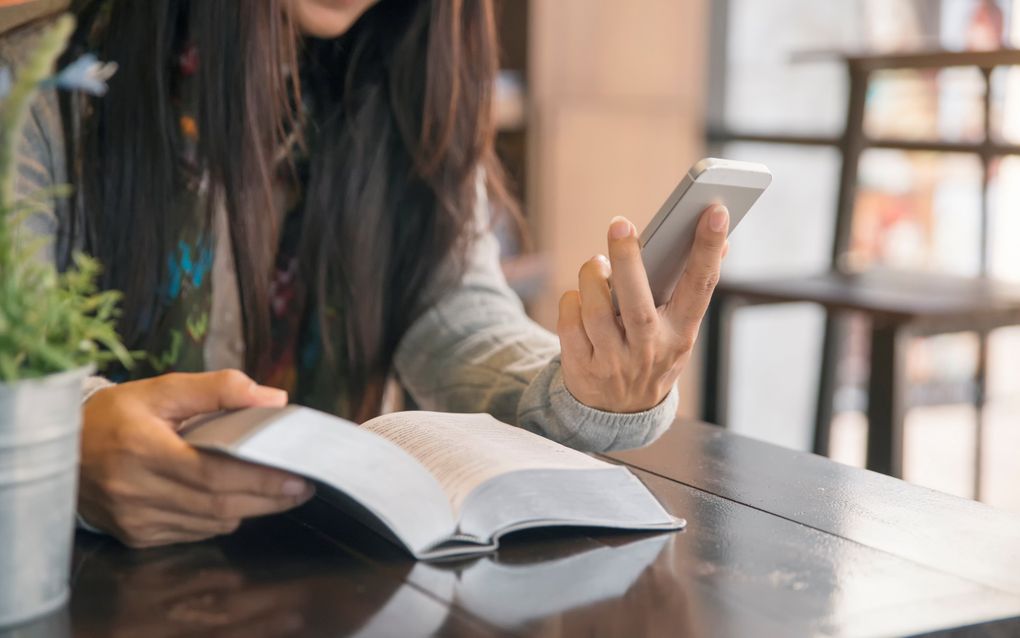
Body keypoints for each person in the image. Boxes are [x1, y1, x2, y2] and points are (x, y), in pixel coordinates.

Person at [8, 0, 729, 547]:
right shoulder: (35, 88)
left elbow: (451, 312)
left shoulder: (404, 69)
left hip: (321, 576)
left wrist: (583, 386)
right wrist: (66, 438)